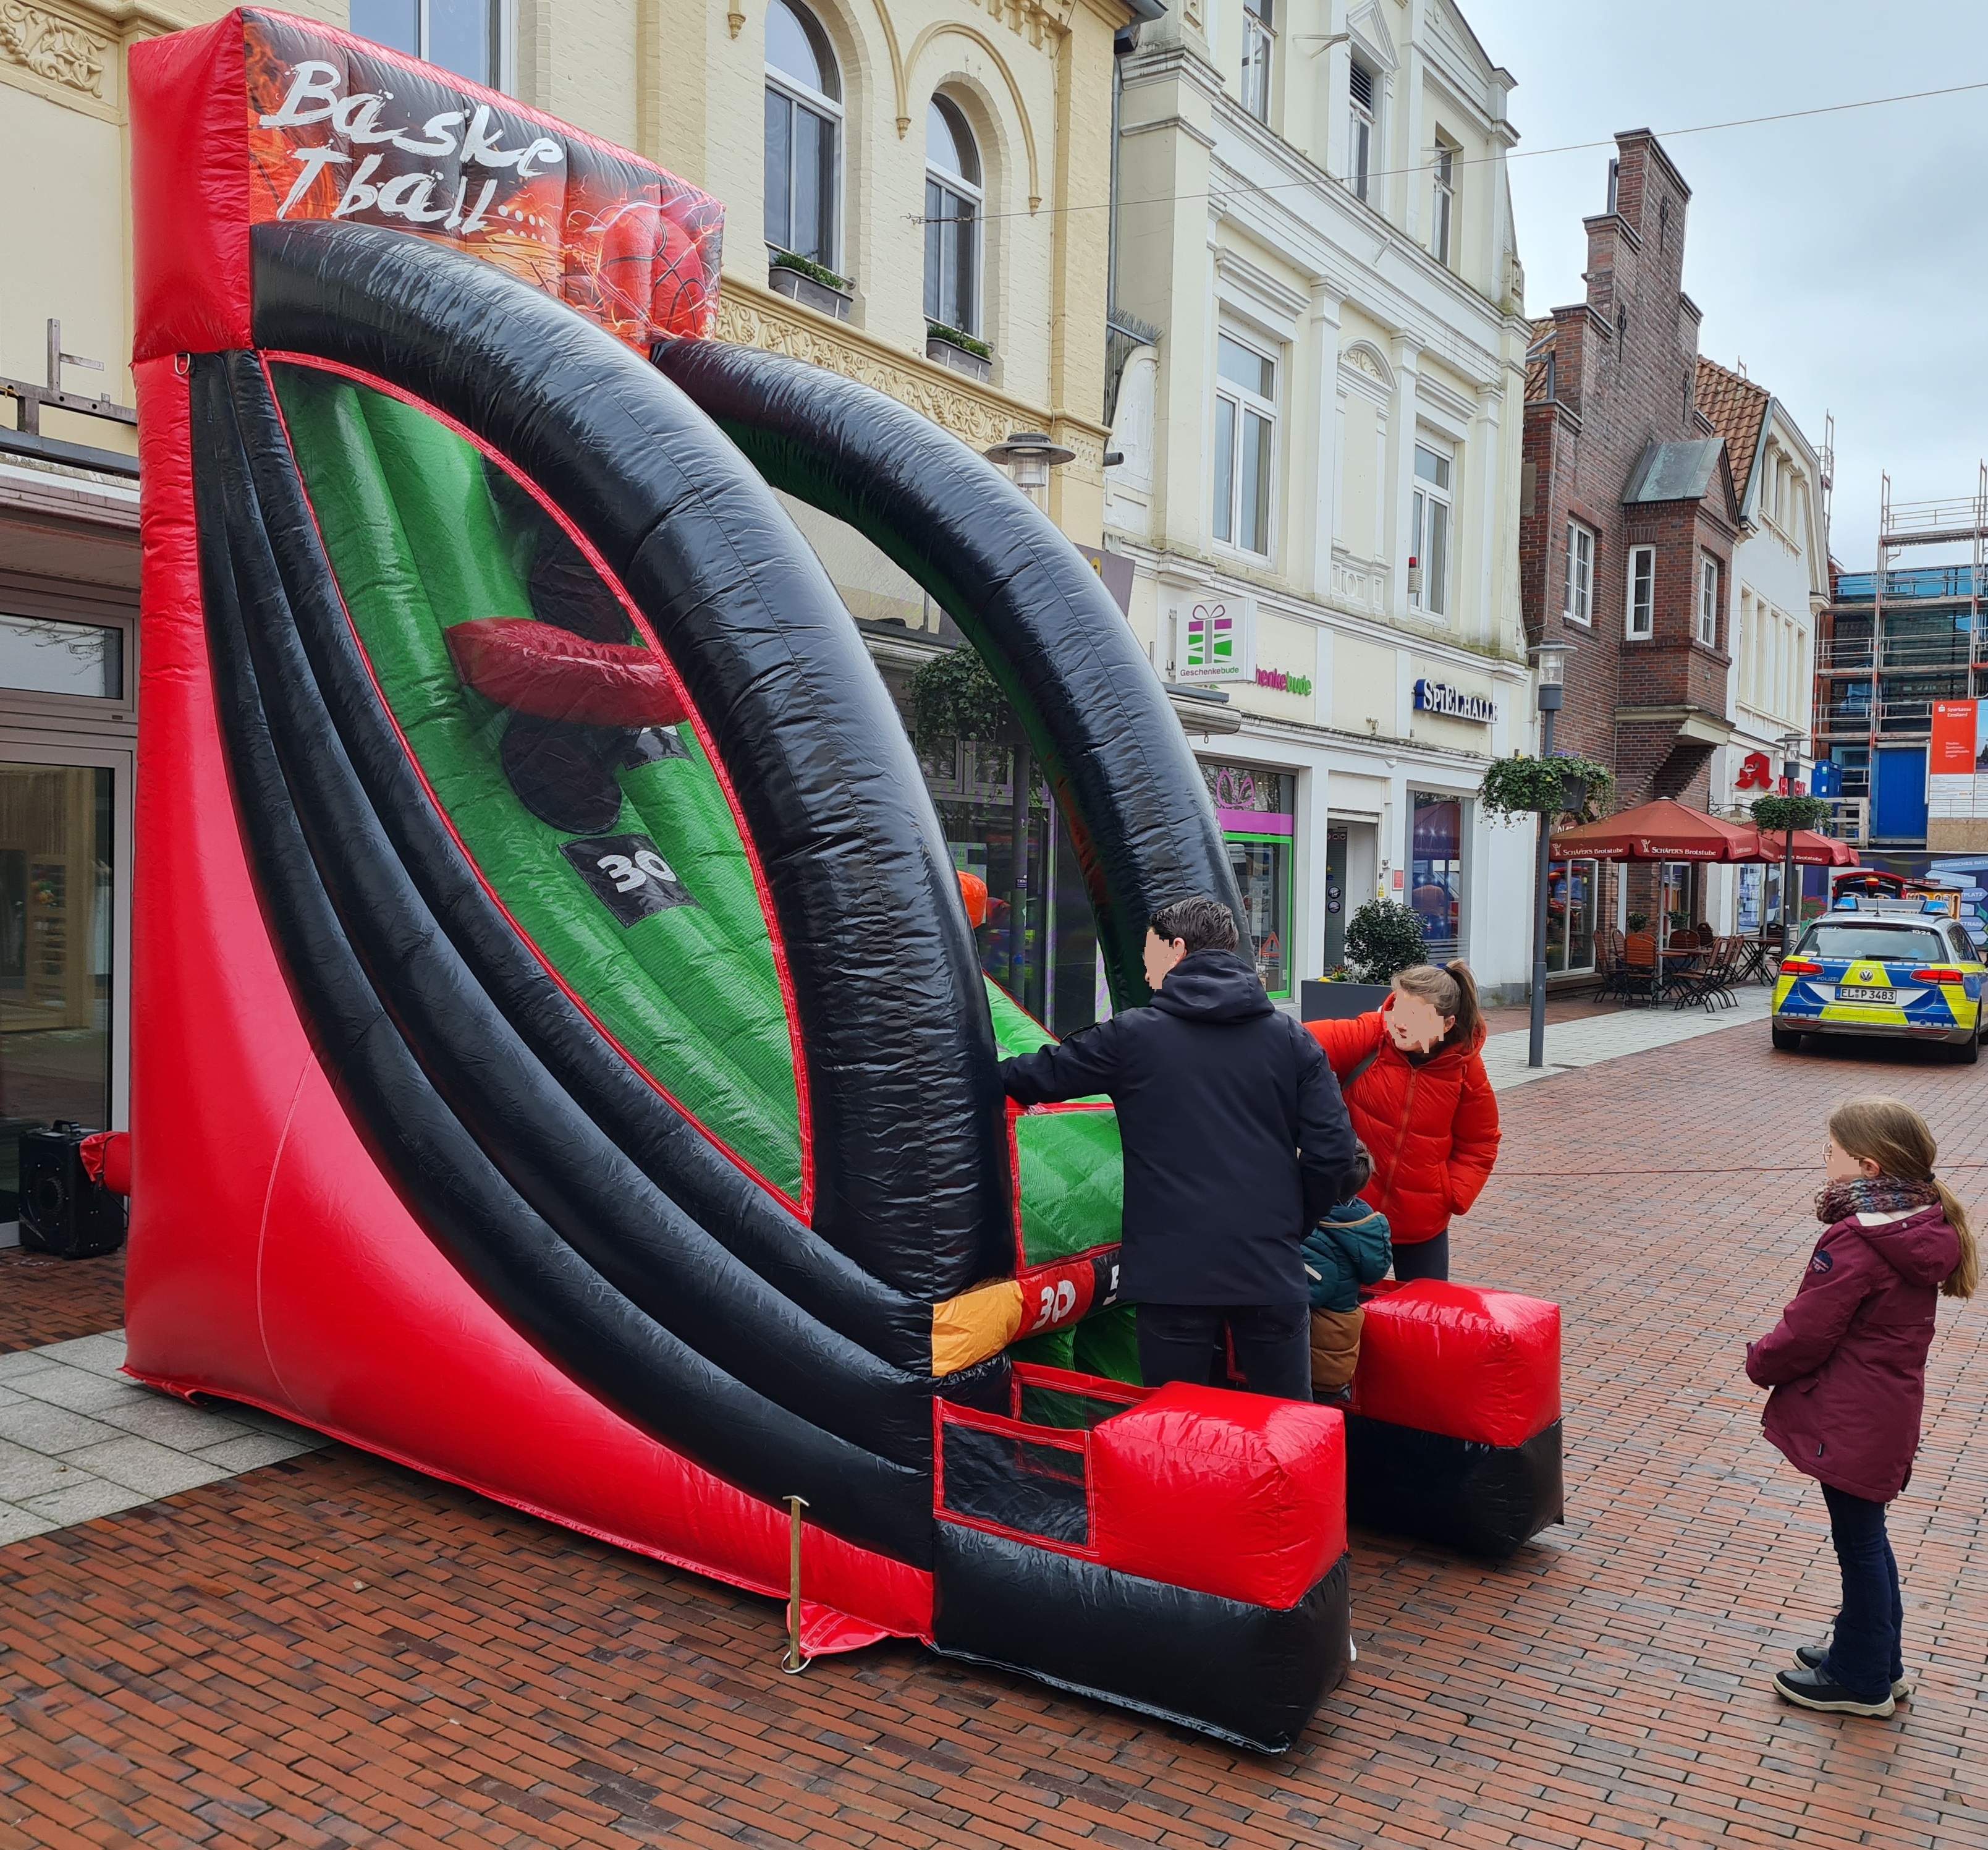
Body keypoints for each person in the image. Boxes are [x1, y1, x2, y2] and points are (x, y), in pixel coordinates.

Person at [999, 894, 1360, 1399]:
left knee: (1178, 1436)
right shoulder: (1290, 1039)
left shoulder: (1133, 1037)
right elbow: (1333, 1154)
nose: (1145, 967)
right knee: (1286, 1433)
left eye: (1149, 952)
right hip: (1268, 1268)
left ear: (1177, 948)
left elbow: (1031, 1075)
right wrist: (1292, 1223)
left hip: (1172, 1276)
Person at [1745, 1095, 1976, 1718]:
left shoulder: (1858, 1240)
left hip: (1851, 1416)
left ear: (1869, 1168)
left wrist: (1759, 1360)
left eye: (1833, 1150)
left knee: (1860, 1543)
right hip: (1880, 1412)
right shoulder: (1915, 1223)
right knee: (1866, 1538)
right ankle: (1877, 1657)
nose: (1825, 1158)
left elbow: (1807, 1330)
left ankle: (1861, 1678)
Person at [1302, 962, 1499, 1283]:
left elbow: (1480, 1142)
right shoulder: (1370, 1036)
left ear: (1447, 1024)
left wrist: (1452, 1195)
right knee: (1349, 1318)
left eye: (1416, 1017)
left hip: (1422, 1224)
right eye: (1398, 1010)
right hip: (1351, 1213)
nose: (1400, 1024)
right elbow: (1290, 1042)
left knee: (1427, 1317)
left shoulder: (1465, 1069)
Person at [1302, 1195, 1392, 1401]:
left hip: (1318, 1354)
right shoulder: (1360, 1225)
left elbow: (1308, 1293)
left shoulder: (1317, 1236)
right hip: (1340, 1342)